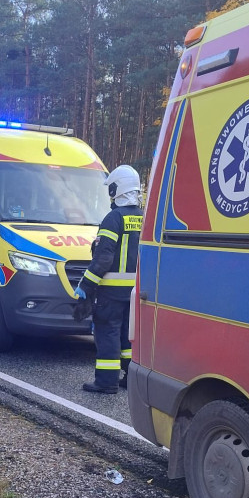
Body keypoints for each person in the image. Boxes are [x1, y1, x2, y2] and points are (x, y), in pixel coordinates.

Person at [73, 165, 143, 393]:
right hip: (136, 291)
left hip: (111, 291)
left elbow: (103, 258)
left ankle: (106, 381)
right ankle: (130, 378)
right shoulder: (144, 217)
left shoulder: (114, 218)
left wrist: (85, 286)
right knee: (128, 337)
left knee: (108, 333)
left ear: (116, 189)